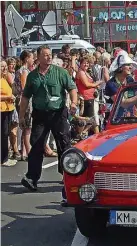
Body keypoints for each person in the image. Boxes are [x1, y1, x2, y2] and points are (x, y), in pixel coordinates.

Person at [19, 45, 78, 191]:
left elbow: (72, 88)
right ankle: (32, 177)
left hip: (58, 112)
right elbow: (25, 97)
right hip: (40, 114)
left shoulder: (60, 72)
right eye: (45, 55)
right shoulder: (32, 76)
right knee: (37, 144)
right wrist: (21, 116)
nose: (49, 57)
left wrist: (74, 102)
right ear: (38, 57)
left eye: (50, 54)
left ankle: (66, 175)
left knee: (64, 144)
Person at [0, 60, 17, 166]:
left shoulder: (4, 78)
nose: (5, 68)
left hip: (7, 109)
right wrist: (8, 97)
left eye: (5, 66)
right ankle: (3, 159)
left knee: (5, 134)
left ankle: (4, 158)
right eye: (2, 66)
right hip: (1, 110)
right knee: (2, 134)